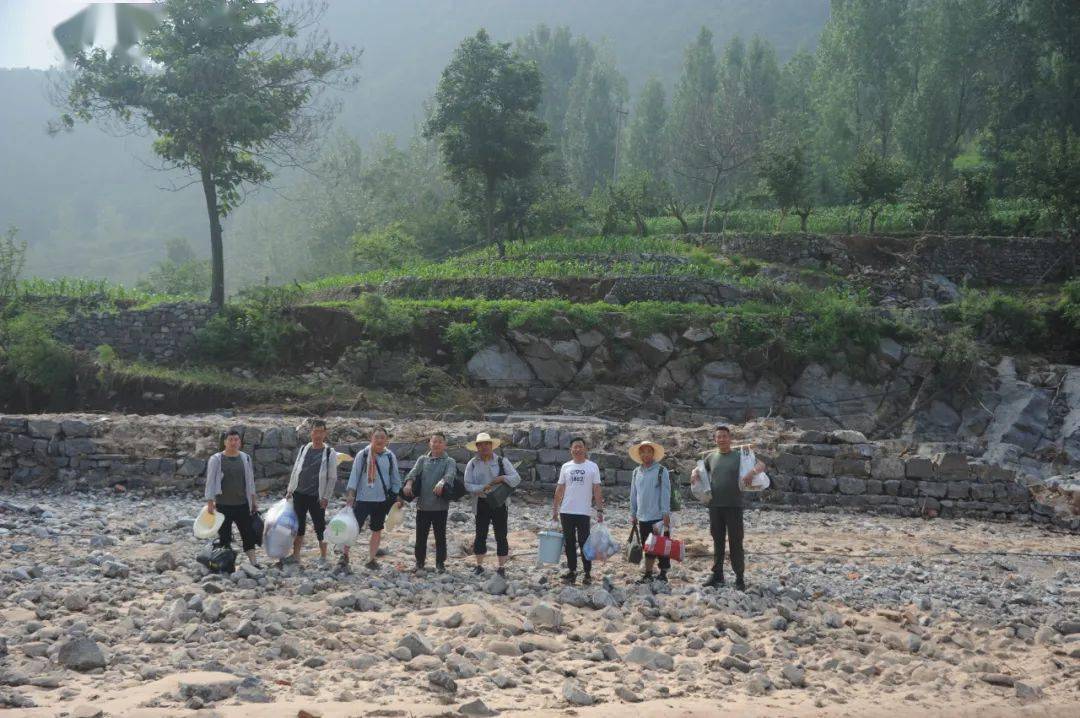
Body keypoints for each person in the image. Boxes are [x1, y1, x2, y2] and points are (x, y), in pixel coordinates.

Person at [691, 425, 765, 590]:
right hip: (715, 505)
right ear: (715, 440)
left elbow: (762, 465)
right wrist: (694, 473)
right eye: (719, 437)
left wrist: (751, 472)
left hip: (734, 505)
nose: (722, 439)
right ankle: (718, 575)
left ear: (730, 438)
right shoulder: (710, 457)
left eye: (725, 436)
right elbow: (700, 470)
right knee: (717, 541)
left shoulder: (740, 455)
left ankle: (739, 578)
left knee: (736, 542)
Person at [339, 427, 402, 575]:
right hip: (362, 499)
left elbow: (395, 478)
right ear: (371, 438)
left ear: (387, 440)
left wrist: (397, 496)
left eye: (382, 437)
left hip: (382, 500)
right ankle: (344, 555)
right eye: (377, 437)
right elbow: (354, 476)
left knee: (376, 529)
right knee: (354, 528)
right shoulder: (363, 454)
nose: (379, 440)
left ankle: (371, 558)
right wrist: (350, 494)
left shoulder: (389, 456)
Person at [285, 419, 345, 568]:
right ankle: (296, 555)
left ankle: (324, 556)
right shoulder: (304, 448)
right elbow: (296, 470)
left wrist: (326, 497)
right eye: (315, 431)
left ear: (325, 433)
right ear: (311, 432)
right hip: (299, 493)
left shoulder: (329, 452)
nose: (317, 434)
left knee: (319, 526)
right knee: (299, 525)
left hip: (316, 496)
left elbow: (332, 477)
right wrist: (290, 490)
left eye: (321, 431)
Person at [463, 432, 521, 578]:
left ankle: (501, 567)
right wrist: (482, 487)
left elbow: (516, 478)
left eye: (487, 444)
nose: (484, 447)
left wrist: (502, 478)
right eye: (481, 445)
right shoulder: (472, 463)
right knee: (480, 534)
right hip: (481, 502)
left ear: (492, 445)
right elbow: (467, 484)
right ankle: (479, 565)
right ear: (477, 447)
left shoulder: (502, 461)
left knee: (501, 535)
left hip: (499, 503)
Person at [203, 429, 260, 567]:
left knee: (248, 534)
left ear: (240, 442)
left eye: (236, 439)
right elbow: (210, 482)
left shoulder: (245, 458)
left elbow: (250, 481)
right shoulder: (216, 459)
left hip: (242, 504)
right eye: (230, 440)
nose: (233, 442)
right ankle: (226, 564)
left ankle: (254, 563)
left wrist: (253, 501)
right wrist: (210, 503)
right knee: (224, 536)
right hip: (223, 505)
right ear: (225, 442)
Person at [403, 431, 458, 573]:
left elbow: (450, 475)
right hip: (423, 506)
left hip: (440, 507)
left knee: (440, 537)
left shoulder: (449, 461)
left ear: (445, 445)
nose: (437, 444)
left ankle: (440, 563)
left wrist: (441, 482)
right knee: (420, 537)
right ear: (430, 443)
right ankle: (419, 562)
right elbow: (413, 473)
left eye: (440, 441)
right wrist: (409, 484)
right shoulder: (422, 459)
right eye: (434, 441)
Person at [551, 437, 603, 585]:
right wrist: (555, 509)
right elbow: (560, 489)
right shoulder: (566, 467)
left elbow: (597, 489)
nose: (577, 449)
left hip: (584, 512)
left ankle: (587, 573)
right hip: (566, 511)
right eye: (575, 447)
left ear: (585, 449)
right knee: (569, 542)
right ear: (571, 450)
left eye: (580, 447)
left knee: (584, 542)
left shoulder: (592, 467)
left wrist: (600, 510)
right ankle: (572, 571)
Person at [628, 439, 671, 583]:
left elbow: (666, 493)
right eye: (643, 452)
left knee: (661, 545)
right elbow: (634, 495)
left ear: (653, 453)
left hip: (658, 516)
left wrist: (665, 513)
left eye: (648, 451)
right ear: (639, 454)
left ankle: (663, 572)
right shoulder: (636, 472)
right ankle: (648, 573)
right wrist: (633, 513)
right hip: (642, 516)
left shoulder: (661, 471)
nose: (645, 454)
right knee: (648, 546)